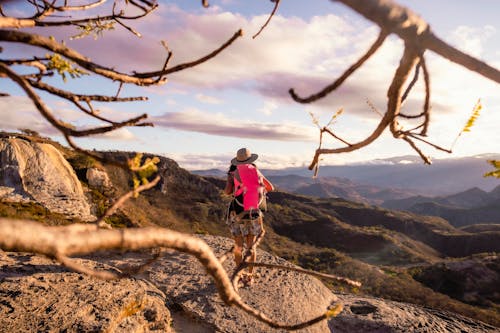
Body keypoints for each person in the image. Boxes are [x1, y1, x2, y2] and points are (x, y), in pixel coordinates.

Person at [224, 148, 274, 285]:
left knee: (239, 245)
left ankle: (239, 275)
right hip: (253, 213)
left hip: (237, 213)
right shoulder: (256, 171)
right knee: (251, 246)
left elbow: (228, 192)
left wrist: (232, 182)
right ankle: (250, 277)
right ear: (251, 159)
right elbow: (271, 188)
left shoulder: (233, 173)